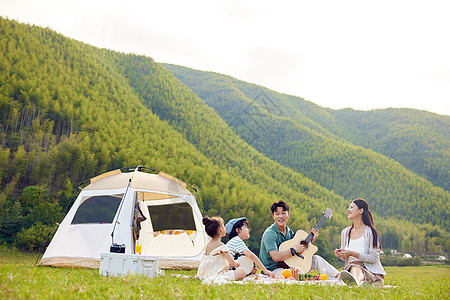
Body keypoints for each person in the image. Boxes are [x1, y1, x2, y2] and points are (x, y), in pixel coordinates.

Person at [259, 200, 339, 278]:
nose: (280, 216)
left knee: (317, 259)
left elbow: (299, 251)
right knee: (298, 272)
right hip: (273, 271)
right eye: (277, 214)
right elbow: (276, 257)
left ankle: (339, 276)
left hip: (289, 266)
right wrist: (293, 250)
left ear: (288, 215)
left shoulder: (289, 231)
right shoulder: (269, 234)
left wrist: (311, 241)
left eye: (283, 213)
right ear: (273, 216)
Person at [334, 198, 386, 287]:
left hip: (370, 273)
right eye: (348, 207)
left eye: (351, 207)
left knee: (355, 268)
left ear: (361, 210)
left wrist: (352, 253)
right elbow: (345, 258)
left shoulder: (370, 232)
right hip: (349, 270)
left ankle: (355, 284)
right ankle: (356, 284)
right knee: (352, 267)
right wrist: (342, 254)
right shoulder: (345, 232)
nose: (348, 210)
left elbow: (374, 258)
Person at [197, 216, 247, 283]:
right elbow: (233, 263)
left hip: (205, 274)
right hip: (218, 275)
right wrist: (237, 263)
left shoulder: (207, 245)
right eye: (224, 226)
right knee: (243, 271)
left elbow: (214, 261)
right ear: (221, 229)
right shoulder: (222, 247)